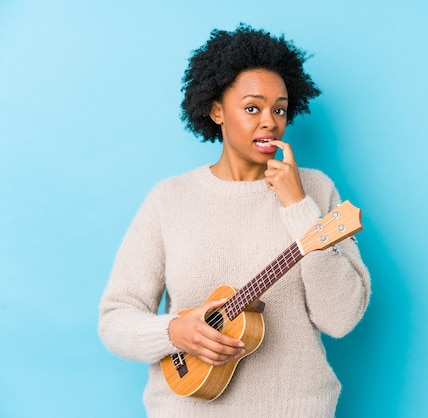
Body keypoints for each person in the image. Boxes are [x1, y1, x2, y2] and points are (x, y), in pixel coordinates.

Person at [98, 24, 371, 417]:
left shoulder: (314, 189)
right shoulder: (169, 198)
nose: (269, 121)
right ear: (216, 111)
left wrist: (297, 205)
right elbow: (115, 320)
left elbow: (340, 318)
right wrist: (174, 331)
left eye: (279, 109)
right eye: (252, 107)